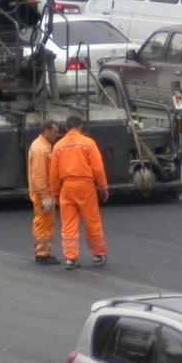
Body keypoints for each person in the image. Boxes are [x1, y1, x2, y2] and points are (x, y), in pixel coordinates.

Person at [49, 115, 110, 269]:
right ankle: (98, 254)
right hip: (85, 186)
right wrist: (103, 187)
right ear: (80, 126)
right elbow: (98, 168)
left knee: (68, 224)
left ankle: (70, 258)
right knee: (92, 221)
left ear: (66, 127)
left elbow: (53, 173)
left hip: (67, 187)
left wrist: (55, 193)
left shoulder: (58, 146)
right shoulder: (88, 143)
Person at [26, 121, 61, 265]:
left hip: (43, 192)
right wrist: (45, 197)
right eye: (54, 132)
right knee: (44, 222)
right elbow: (39, 175)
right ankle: (42, 254)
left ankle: (42, 252)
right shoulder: (41, 149)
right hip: (43, 193)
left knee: (44, 222)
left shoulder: (42, 146)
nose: (56, 135)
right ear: (46, 130)